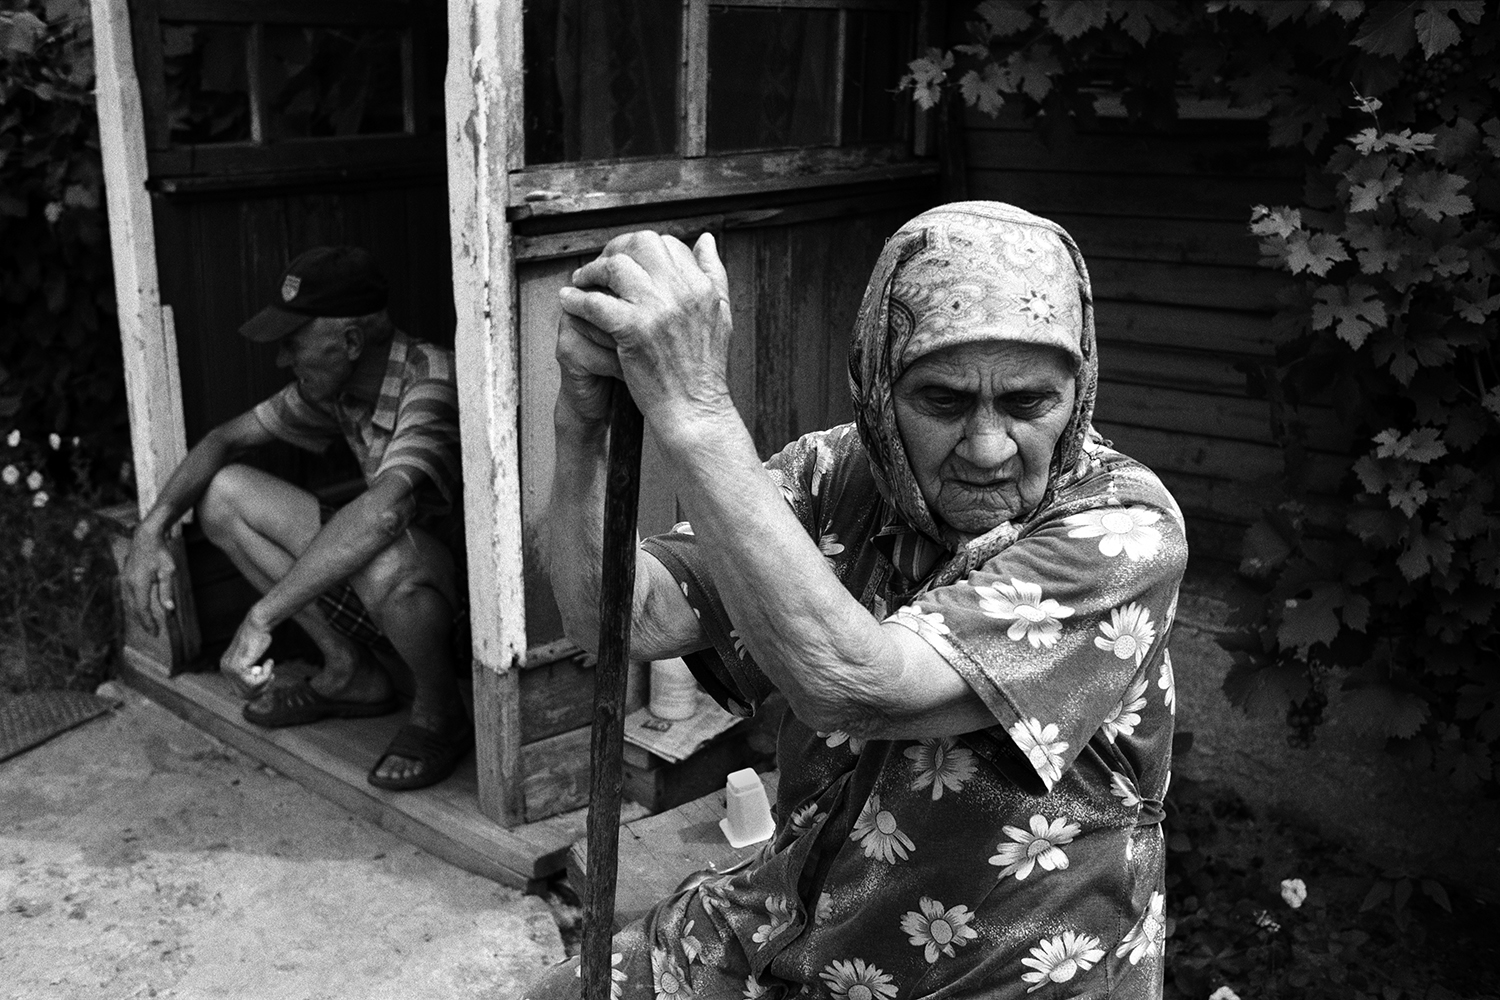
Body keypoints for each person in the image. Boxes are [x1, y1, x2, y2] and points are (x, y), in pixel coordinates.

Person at [535, 202, 1187, 998]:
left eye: (1028, 403)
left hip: (997, 967)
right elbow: (619, 619)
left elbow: (857, 686)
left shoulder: (1124, 530)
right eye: (942, 402)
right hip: (800, 914)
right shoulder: (833, 474)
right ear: (880, 388)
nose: (987, 449)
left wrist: (697, 413)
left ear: (1078, 393)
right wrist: (580, 423)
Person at [122, 246, 472, 792]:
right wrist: (151, 530)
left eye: (293, 342)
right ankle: (349, 672)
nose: (283, 359)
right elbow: (224, 439)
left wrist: (262, 618)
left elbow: (386, 513)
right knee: (223, 494)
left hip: (466, 607)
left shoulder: (432, 380)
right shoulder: (341, 385)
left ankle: (439, 708)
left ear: (351, 342)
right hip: (403, 572)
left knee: (386, 558)